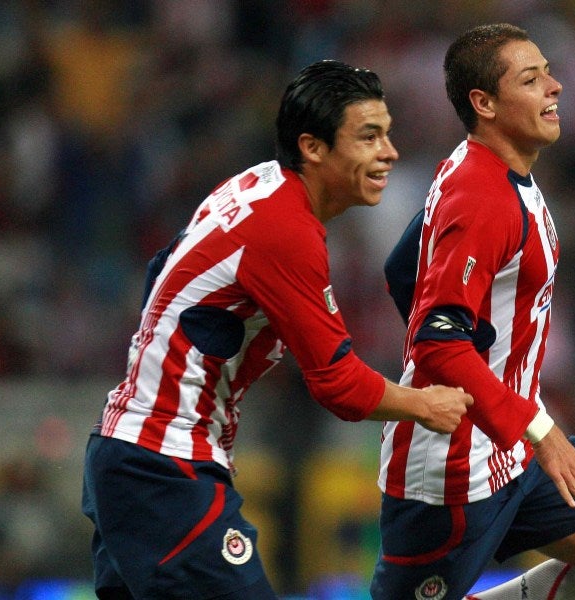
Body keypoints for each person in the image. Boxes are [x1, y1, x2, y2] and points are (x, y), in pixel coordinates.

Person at [81, 59, 473, 600]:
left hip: (128, 453)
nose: (390, 152)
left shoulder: (256, 184)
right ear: (313, 147)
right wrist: (428, 405)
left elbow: (160, 269)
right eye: (369, 136)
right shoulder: (285, 227)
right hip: (165, 465)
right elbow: (338, 384)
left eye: (387, 134)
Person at [372, 23, 575, 600]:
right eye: (532, 80)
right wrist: (539, 429)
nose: (555, 87)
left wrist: (515, 407)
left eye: (549, 73)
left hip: (515, 439)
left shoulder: (487, 170)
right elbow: (436, 340)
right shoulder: (482, 197)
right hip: (453, 468)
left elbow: (401, 268)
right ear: (484, 104)